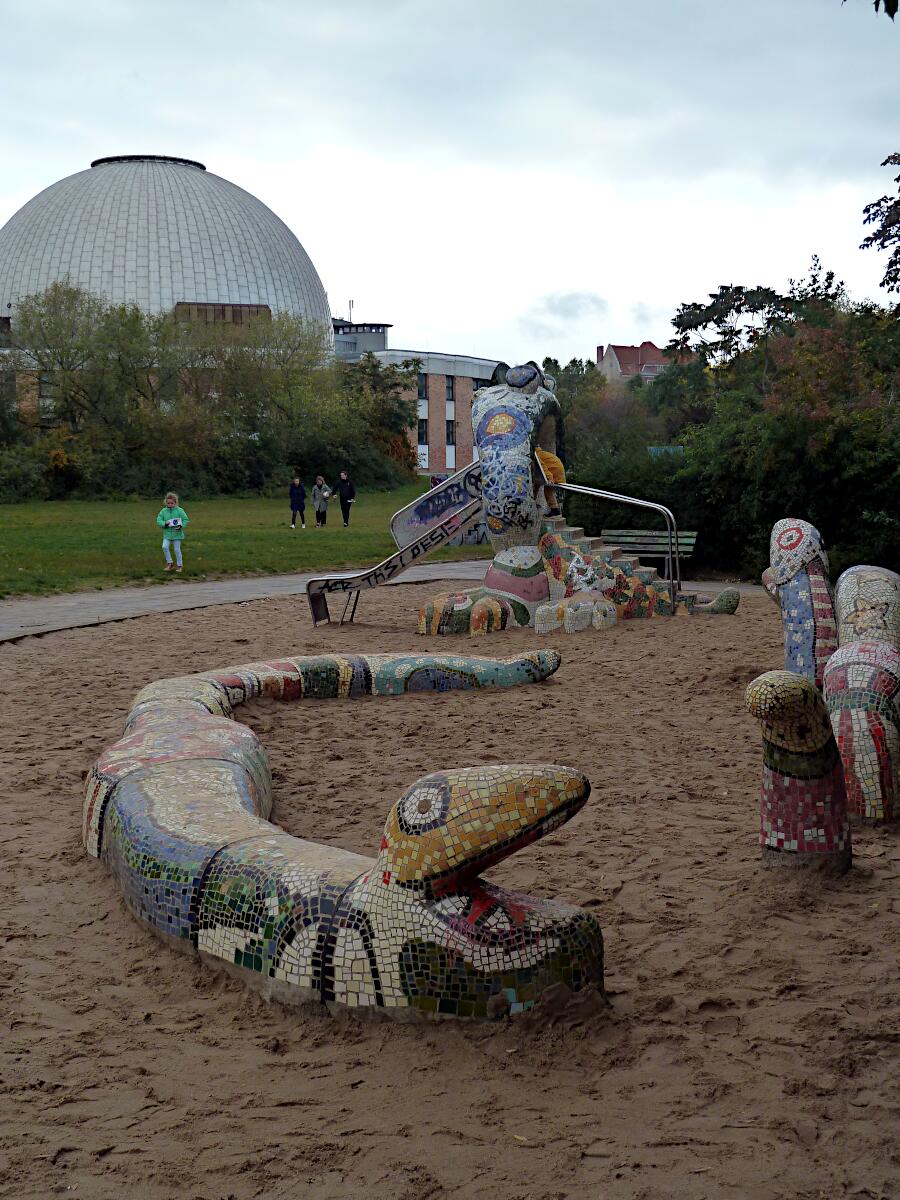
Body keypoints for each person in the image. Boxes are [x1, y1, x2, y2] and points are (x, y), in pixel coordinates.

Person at [156, 491, 189, 573]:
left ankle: (180, 565)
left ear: (175, 503)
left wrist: (181, 526)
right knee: (164, 547)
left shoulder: (180, 510)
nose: (170, 505)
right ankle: (170, 563)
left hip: (177, 534)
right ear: (166, 503)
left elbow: (185, 520)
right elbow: (158, 520)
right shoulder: (163, 511)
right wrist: (164, 524)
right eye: (168, 503)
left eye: (172, 503)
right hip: (167, 534)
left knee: (177, 549)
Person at [534, 446, 566, 517]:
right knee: (546, 489)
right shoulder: (541, 453)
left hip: (555, 473)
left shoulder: (536, 455)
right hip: (557, 472)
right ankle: (555, 509)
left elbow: (542, 467)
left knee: (547, 489)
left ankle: (554, 509)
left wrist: (549, 478)